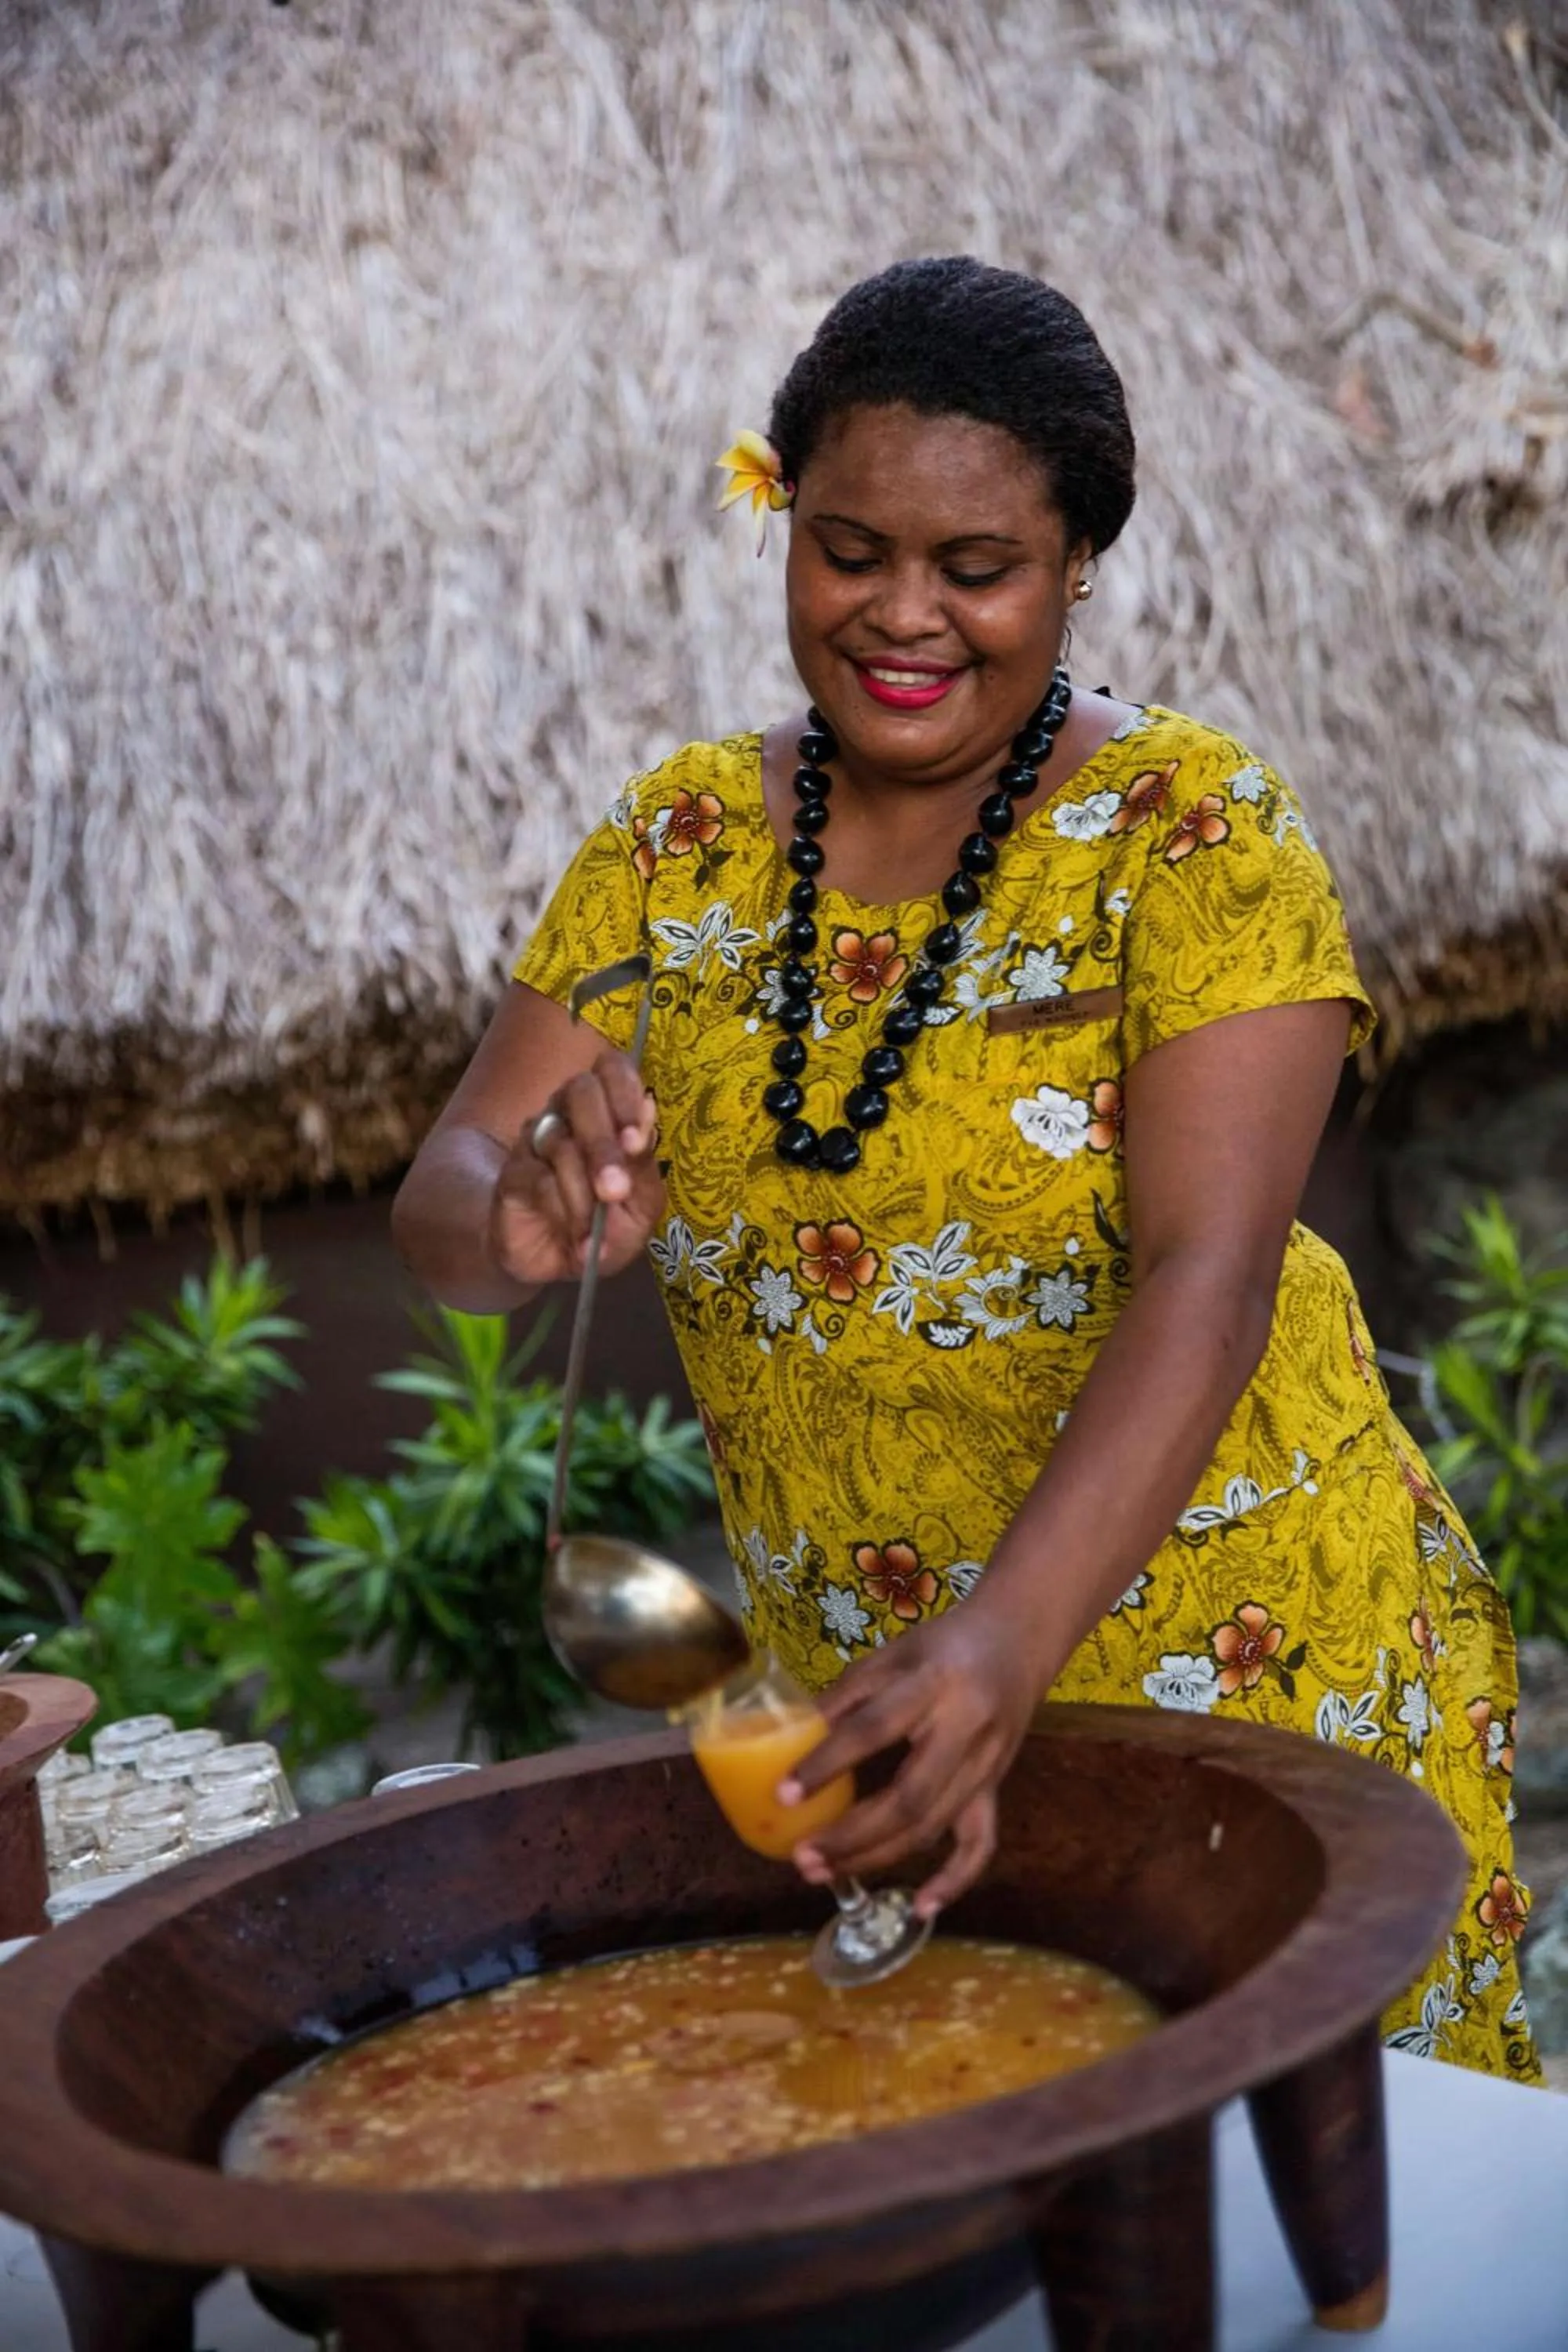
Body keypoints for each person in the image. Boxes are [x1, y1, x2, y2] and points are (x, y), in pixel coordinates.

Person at [393, 257, 1536, 2081]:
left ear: (1077, 559)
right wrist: (512, 1204)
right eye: (848, 550)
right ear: (779, 518)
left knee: (1294, 2189)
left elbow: (1209, 1278)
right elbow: (446, 1186)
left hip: (1240, 1672)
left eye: (976, 568)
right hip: (870, 1711)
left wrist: (1002, 1651)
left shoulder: (1190, 840)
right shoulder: (674, 843)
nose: (901, 615)